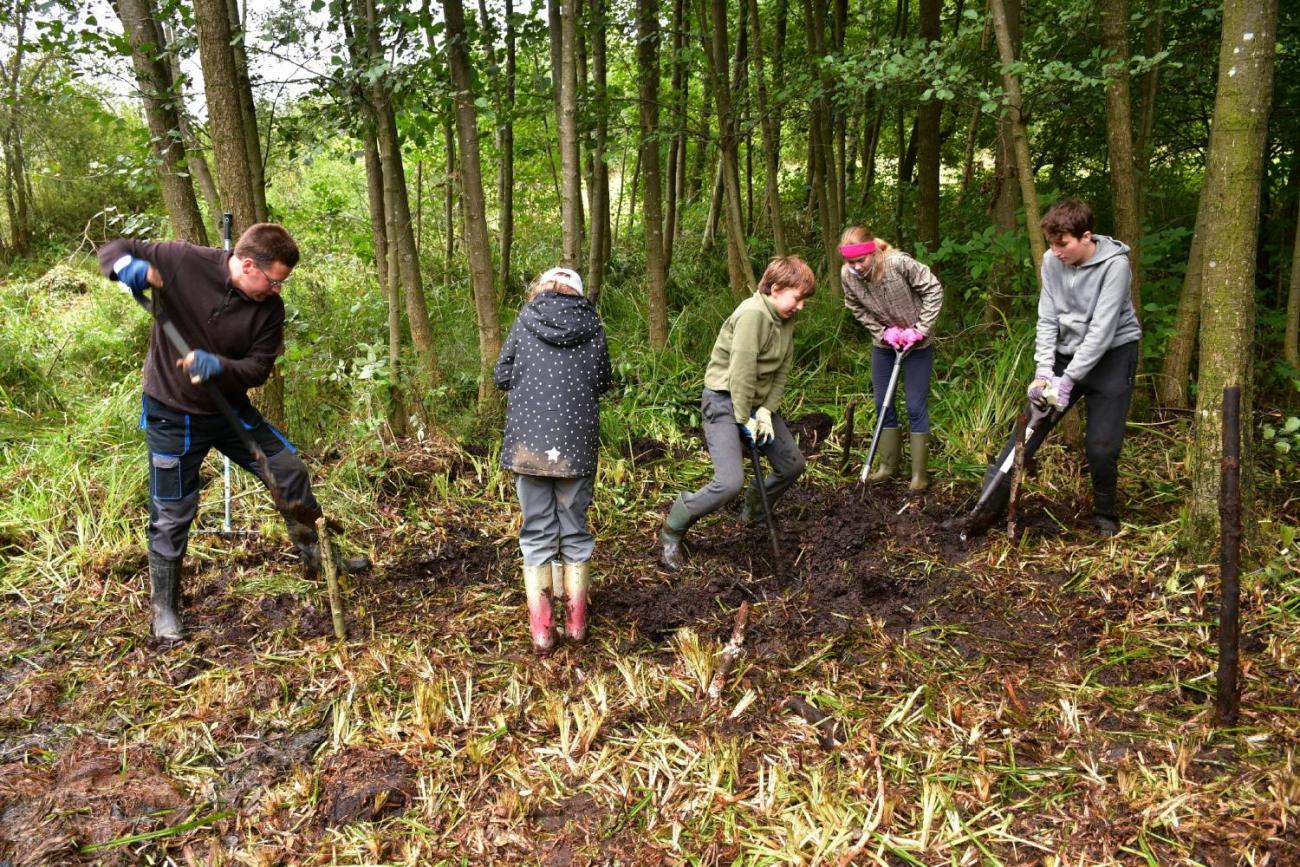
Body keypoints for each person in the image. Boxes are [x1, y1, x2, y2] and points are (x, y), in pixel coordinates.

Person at [99, 223, 334, 642]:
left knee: (288, 470)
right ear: (247, 265)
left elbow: (258, 369)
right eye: (275, 280)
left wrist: (219, 366)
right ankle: (165, 609)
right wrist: (124, 266)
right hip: (172, 414)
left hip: (229, 410)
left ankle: (316, 554)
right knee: (172, 511)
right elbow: (114, 248)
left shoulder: (269, 310)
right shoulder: (183, 260)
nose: (278, 290)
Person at [962, 198, 1141, 537]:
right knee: (1026, 431)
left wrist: (1069, 380)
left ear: (1085, 236)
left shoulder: (1115, 266)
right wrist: (1045, 371)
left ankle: (1105, 516)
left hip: (1112, 357)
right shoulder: (1051, 261)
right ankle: (985, 510)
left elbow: (1102, 331)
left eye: (1064, 244)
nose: (1057, 251)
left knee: (1101, 448)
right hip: (1063, 353)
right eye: (1052, 244)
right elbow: (1047, 317)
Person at [658, 256, 817, 571]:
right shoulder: (752, 315)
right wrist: (744, 418)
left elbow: (782, 370)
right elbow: (741, 374)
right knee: (730, 482)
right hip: (723, 401)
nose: (800, 306)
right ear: (775, 288)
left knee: (791, 464)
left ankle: (754, 513)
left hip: (756, 405)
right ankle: (672, 529)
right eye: (798, 297)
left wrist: (767, 412)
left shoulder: (785, 319)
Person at [494, 266, 612, 654]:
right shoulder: (592, 325)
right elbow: (602, 381)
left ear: (541, 290)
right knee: (574, 531)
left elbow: (501, 375)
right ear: (577, 293)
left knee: (536, 532)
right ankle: (577, 626)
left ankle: (542, 632)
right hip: (575, 447)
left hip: (528, 446)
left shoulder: (525, 320)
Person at [839, 226, 944, 490]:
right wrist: (883, 332)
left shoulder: (898, 264)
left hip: (917, 345)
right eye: (851, 262)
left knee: (914, 406)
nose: (857, 267)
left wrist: (918, 330)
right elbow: (854, 306)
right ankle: (888, 466)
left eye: (860, 260)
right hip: (885, 344)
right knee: (882, 402)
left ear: (872, 252)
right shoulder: (848, 275)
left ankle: (919, 476)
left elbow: (934, 291)